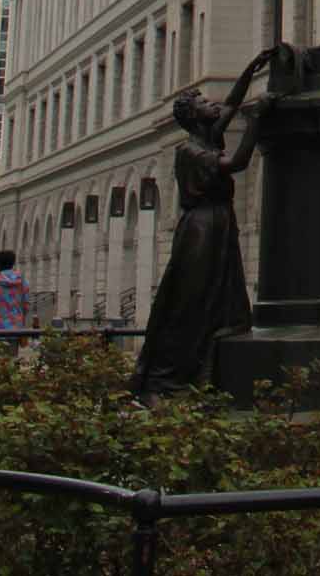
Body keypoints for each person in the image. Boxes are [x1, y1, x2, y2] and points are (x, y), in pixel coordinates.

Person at [131, 51, 271, 401]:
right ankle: (171, 375)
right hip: (202, 228)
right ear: (194, 118)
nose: (214, 105)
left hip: (217, 223)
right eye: (206, 103)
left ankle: (206, 367)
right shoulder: (192, 150)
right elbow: (238, 162)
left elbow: (233, 103)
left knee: (218, 299)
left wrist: (251, 68)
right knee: (192, 301)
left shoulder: (207, 135)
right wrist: (258, 120)